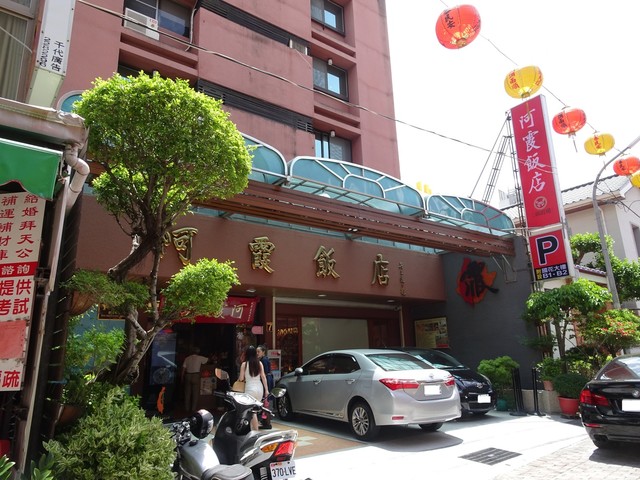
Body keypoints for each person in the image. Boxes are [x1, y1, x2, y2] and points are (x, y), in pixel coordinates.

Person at [238, 345, 269, 431]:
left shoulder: (244, 364)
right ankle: (252, 429)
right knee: (254, 410)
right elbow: (263, 377)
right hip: (259, 389)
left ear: (247, 354)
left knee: (252, 412)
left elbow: (241, 379)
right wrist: (266, 390)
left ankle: (255, 431)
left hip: (250, 389)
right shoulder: (259, 363)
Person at [181, 346, 209, 412]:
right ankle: (193, 409)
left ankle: (186, 408)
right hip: (196, 375)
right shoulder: (200, 357)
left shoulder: (187, 358)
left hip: (188, 375)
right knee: (195, 393)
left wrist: (182, 377)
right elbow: (208, 360)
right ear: (198, 352)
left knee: (187, 393)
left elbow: (183, 368)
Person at [257, 345, 274, 429]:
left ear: (263, 352)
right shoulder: (264, 359)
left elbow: (264, 374)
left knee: (266, 400)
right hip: (268, 379)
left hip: (266, 380)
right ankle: (266, 421)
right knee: (266, 400)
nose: (257, 353)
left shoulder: (263, 360)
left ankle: (266, 422)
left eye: (258, 352)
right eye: (256, 352)